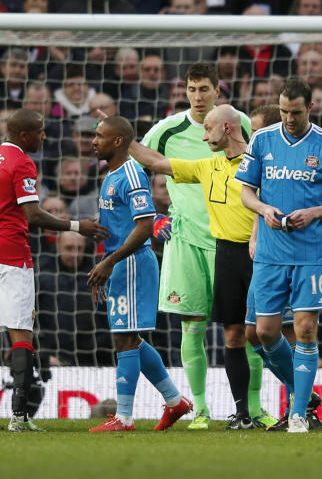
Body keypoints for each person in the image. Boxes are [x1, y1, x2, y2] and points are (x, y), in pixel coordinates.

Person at [0, 109, 108, 432]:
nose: (44, 137)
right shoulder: (22, 163)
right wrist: (77, 225)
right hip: (11, 257)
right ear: (24, 136)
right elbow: (32, 215)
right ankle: (19, 418)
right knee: (21, 333)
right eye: (40, 132)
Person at [130, 104, 279, 429]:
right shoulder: (206, 165)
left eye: (208, 128)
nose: (203, 134)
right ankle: (240, 413)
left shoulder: (262, 162)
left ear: (226, 127)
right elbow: (156, 161)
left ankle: (289, 403)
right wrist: (124, 136)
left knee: (264, 334)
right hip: (224, 254)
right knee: (233, 334)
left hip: (260, 255)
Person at [235, 77, 322, 433]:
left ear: (310, 108)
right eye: (284, 111)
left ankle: (298, 412)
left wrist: (315, 212)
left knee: (304, 328)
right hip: (270, 254)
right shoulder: (262, 139)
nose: (288, 117)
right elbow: (246, 193)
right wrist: (264, 209)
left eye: (295, 112)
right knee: (264, 333)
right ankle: (305, 394)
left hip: (309, 254)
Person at [85, 115, 191, 432]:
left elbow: (145, 227)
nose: (94, 141)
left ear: (118, 141)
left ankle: (125, 418)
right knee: (129, 337)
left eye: (100, 135)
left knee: (125, 338)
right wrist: (102, 262)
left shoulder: (131, 174)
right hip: (118, 263)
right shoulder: (111, 174)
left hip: (132, 263)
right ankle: (175, 402)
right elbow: (118, 226)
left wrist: (110, 262)